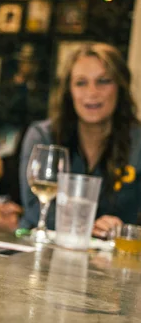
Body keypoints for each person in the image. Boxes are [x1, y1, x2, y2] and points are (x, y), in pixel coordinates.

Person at [19, 43, 141, 238]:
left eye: (103, 81)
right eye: (81, 83)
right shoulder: (43, 136)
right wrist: (88, 227)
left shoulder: (138, 143)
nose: (92, 92)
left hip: (112, 260)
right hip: (40, 250)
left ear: (121, 86)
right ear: (69, 91)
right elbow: (36, 211)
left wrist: (121, 228)